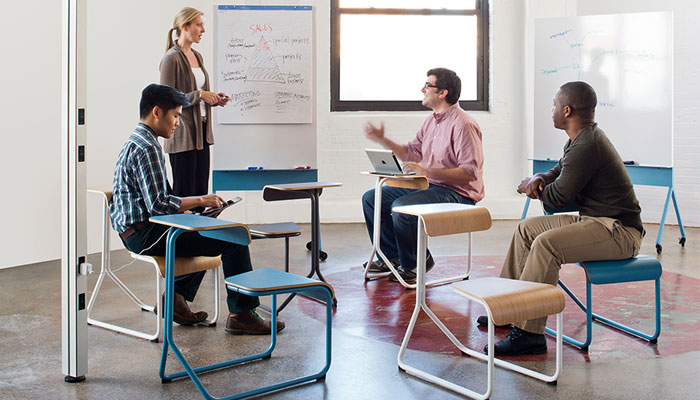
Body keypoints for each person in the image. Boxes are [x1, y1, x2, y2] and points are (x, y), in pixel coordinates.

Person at [482, 81, 644, 356]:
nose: (552, 110)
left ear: (567, 110)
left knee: (546, 245)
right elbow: (557, 171)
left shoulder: (587, 144)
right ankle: (507, 307)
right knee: (526, 230)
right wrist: (540, 177)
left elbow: (557, 199)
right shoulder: (580, 138)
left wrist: (529, 187)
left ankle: (529, 333)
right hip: (595, 221)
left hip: (620, 232)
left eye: (555, 106)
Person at [110, 83, 283, 335]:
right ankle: (242, 314)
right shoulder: (148, 147)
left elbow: (158, 201)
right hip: (144, 235)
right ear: (157, 112)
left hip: (136, 230)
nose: (178, 122)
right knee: (234, 237)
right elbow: (158, 205)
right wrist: (201, 201)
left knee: (203, 230)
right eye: (176, 116)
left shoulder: (138, 140)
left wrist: (193, 209)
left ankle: (176, 300)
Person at [362, 68, 485, 283]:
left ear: (442, 93)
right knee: (372, 198)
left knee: (402, 206)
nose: (422, 89)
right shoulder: (432, 121)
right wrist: (383, 140)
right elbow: (411, 152)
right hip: (430, 186)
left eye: (427, 85)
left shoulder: (463, 124)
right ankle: (391, 257)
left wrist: (426, 171)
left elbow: (470, 173)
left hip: (457, 194)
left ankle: (416, 263)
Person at [160, 7, 230, 201]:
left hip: (202, 133)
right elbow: (166, 98)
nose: (203, 30)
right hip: (182, 136)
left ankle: (198, 232)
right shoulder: (170, 58)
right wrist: (199, 95)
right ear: (184, 26)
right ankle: (185, 233)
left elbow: (196, 94)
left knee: (201, 193)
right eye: (198, 24)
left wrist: (213, 98)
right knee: (186, 195)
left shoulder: (197, 56)